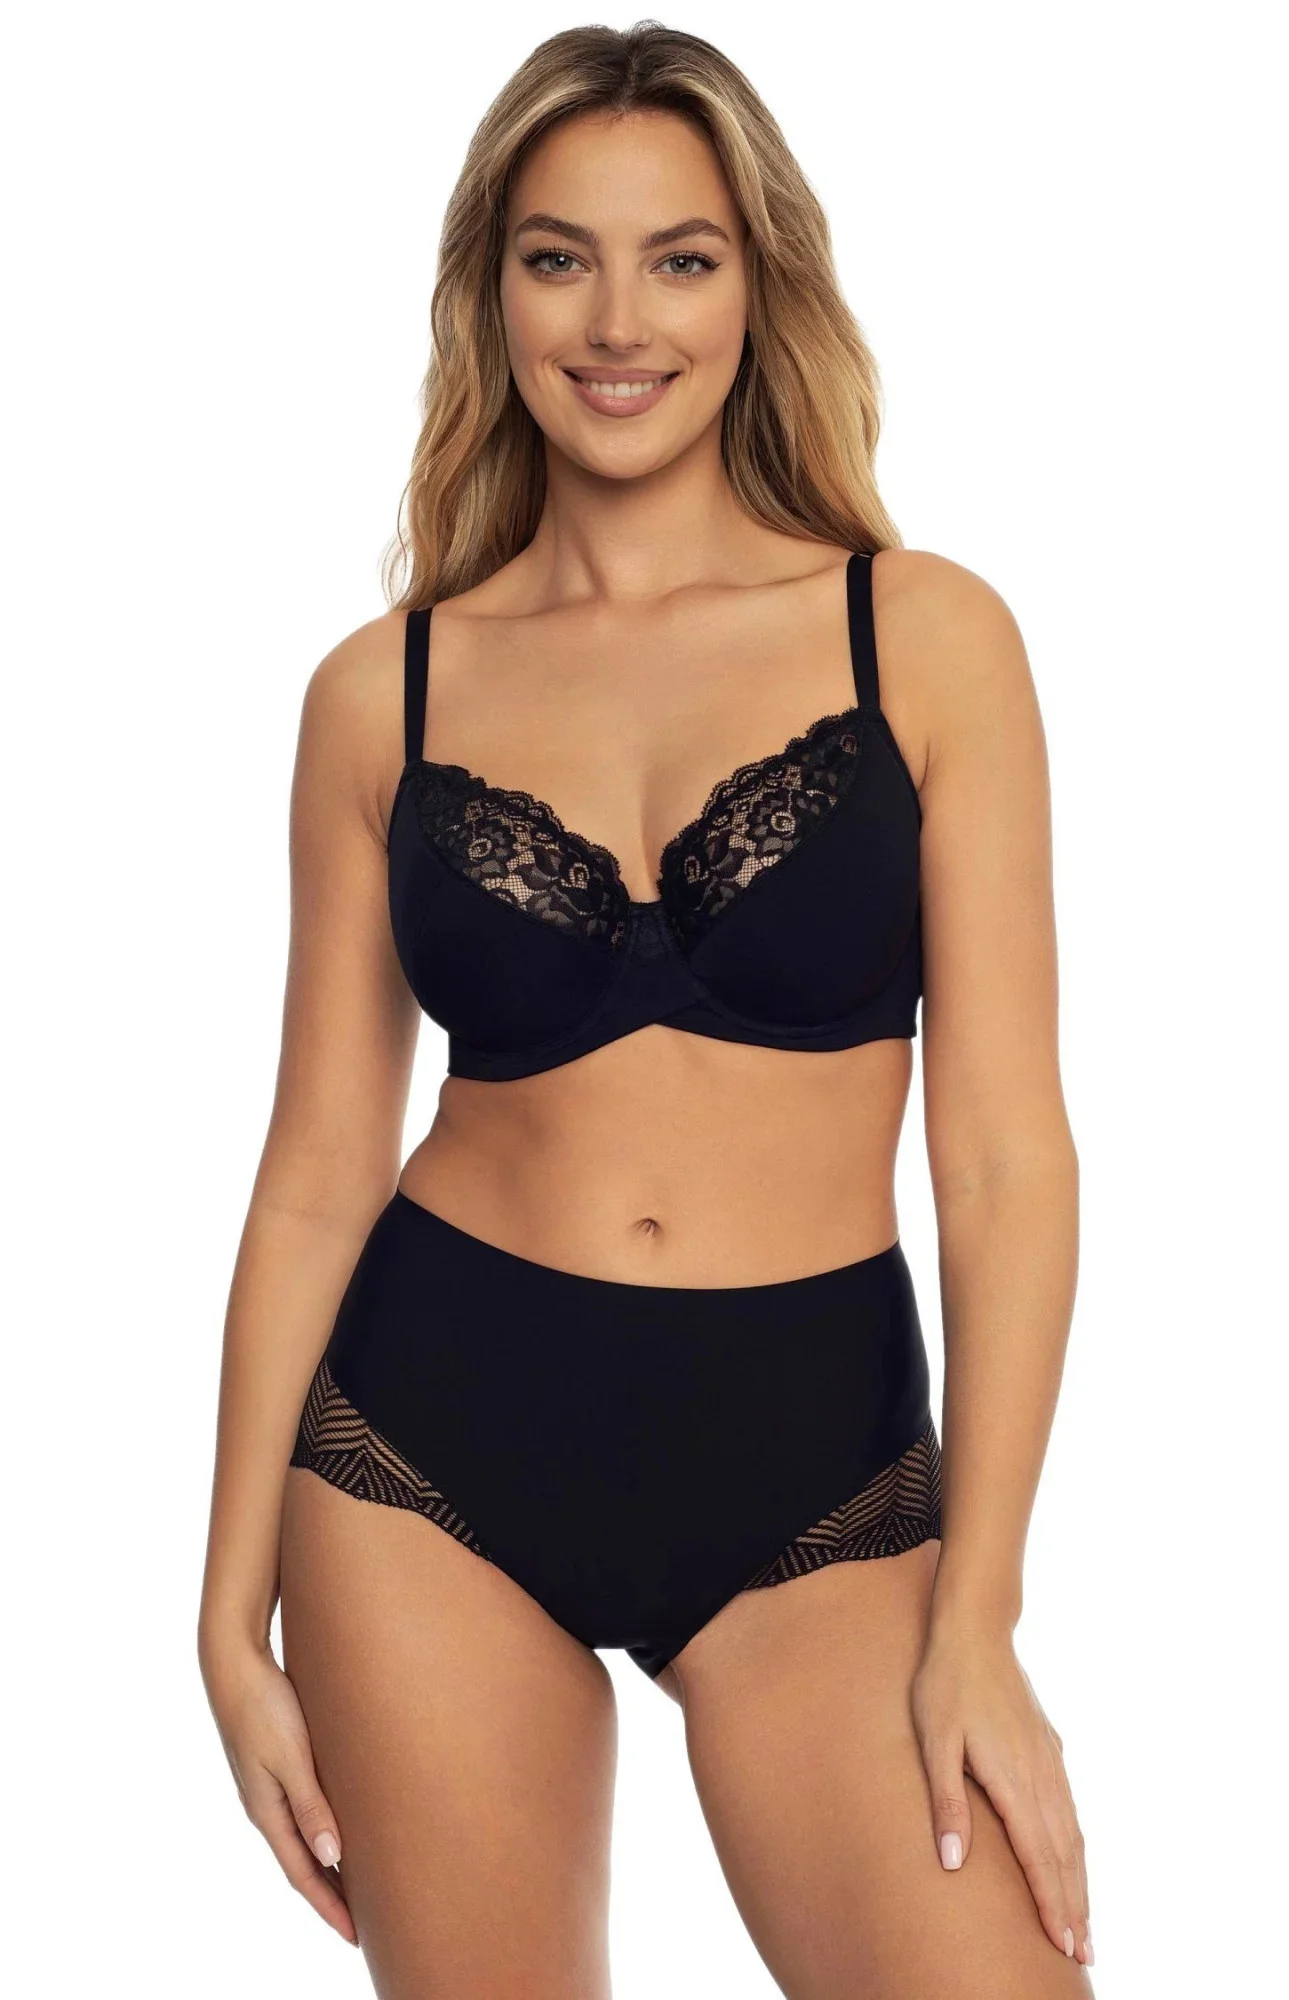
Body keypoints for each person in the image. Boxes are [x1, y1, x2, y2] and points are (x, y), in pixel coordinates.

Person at [197, 22, 1092, 1997]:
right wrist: (224, 1610)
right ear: (492, 292)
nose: (619, 322)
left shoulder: (921, 637)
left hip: (818, 1481)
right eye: (559, 258)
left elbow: (1005, 1159)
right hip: (425, 1465)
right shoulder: (382, 691)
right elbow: (319, 1168)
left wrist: (982, 1614)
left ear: (759, 286)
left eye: (679, 259)